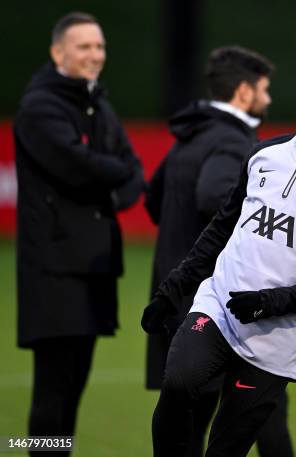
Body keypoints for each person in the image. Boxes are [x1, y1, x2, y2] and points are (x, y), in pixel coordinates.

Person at [141, 68, 296, 457]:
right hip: (217, 308)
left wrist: (271, 302)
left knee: (227, 447)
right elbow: (220, 229)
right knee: (180, 383)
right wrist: (174, 290)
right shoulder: (262, 154)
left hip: (276, 338)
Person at [144, 45, 293, 457]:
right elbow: (214, 195)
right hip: (216, 307)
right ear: (244, 93)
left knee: (187, 424)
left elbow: (154, 201)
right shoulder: (233, 142)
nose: (268, 99)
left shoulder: (189, 135)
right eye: (263, 89)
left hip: (175, 295)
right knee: (267, 412)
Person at [13, 11, 144, 455]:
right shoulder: (39, 106)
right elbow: (80, 167)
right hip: (53, 271)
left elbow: (131, 173)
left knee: (73, 390)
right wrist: (111, 175)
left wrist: (107, 178)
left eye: (100, 46)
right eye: (84, 46)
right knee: (52, 392)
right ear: (57, 52)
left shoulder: (98, 104)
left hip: (93, 267)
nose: (95, 55)